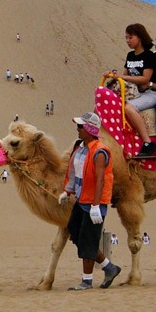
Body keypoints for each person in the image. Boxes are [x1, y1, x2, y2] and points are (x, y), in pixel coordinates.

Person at [60, 112, 121, 290]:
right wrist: (68, 191)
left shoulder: (100, 151)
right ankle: (109, 267)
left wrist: (96, 206)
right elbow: (74, 172)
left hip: (94, 204)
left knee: (88, 239)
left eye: (80, 127)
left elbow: (101, 180)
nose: (77, 130)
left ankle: (87, 280)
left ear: (89, 129)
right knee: (75, 233)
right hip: (81, 199)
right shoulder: (80, 148)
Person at [102, 23, 156, 156]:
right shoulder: (130, 56)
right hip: (134, 92)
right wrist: (114, 74)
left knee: (128, 108)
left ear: (139, 37)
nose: (127, 41)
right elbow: (125, 76)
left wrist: (123, 76)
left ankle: (147, 142)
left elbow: (146, 79)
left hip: (150, 92)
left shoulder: (149, 56)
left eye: (130, 37)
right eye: (126, 38)